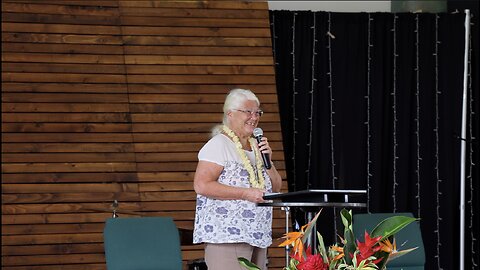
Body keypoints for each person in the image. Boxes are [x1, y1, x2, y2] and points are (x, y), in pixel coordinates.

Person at [193, 88, 282, 270]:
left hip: (258, 233)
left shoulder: (256, 147)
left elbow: (276, 187)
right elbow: (201, 185)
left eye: (257, 112)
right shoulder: (219, 144)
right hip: (228, 236)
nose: (254, 117)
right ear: (230, 114)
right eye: (248, 111)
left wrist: (269, 162)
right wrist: (245, 193)